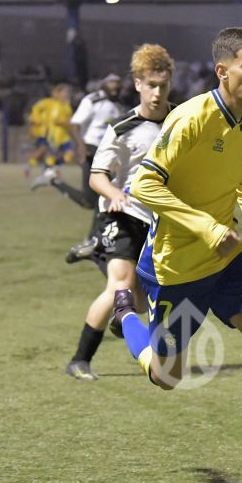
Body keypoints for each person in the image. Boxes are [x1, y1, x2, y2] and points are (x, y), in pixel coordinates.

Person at [110, 27, 242, 483]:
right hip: (177, 269)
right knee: (166, 376)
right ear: (223, 71)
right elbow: (144, 186)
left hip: (227, 265)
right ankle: (125, 314)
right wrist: (205, 227)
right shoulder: (192, 118)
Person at [65, 45, 174, 381]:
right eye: (150, 85)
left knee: (140, 304)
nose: (157, 93)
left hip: (157, 222)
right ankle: (79, 360)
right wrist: (114, 194)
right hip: (121, 215)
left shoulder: (181, 121)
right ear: (137, 84)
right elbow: (97, 177)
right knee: (118, 289)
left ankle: (98, 254)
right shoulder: (122, 129)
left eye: (163, 85)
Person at [30, 74, 125, 256]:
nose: (115, 88)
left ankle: (54, 180)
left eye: (118, 85)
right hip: (91, 151)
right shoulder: (93, 100)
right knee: (103, 197)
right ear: (103, 85)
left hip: (106, 154)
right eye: (112, 84)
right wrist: (81, 148)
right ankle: (92, 240)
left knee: (88, 201)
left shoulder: (118, 106)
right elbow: (75, 125)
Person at [25, 84, 74, 180]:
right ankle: (40, 169)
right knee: (45, 152)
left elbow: (68, 118)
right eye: (63, 92)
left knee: (68, 155)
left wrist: (70, 123)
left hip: (64, 135)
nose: (65, 94)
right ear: (57, 93)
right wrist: (35, 120)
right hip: (53, 134)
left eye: (66, 92)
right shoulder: (52, 103)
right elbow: (55, 120)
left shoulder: (66, 105)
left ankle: (52, 169)